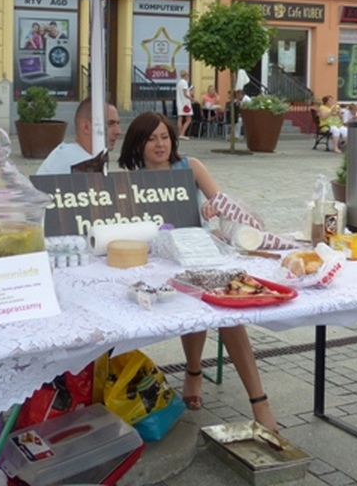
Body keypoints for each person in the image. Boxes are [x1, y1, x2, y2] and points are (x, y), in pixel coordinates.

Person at [117, 112, 278, 431]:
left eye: (164, 137)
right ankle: (193, 371)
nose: (160, 144)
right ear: (137, 145)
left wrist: (214, 207)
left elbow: (224, 204)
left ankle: (259, 401)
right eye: (151, 139)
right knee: (185, 304)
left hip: (201, 251)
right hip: (160, 260)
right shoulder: (131, 180)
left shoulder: (189, 166)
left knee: (228, 312)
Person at [36, 98, 123, 175]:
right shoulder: (80, 165)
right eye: (110, 124)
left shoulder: (66, 155)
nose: (118, 131)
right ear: (86, 127)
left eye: (118, 124)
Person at [176, 69, 194, 140]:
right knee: (189, 119)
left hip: (180, 102)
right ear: (185, 75)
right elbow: (185, 93)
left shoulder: (179, 82)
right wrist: (191, 98)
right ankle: (182, 133)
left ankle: (180, 132)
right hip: (185, 103)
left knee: (180, 117)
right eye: (187, 75)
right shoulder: (184, 83)